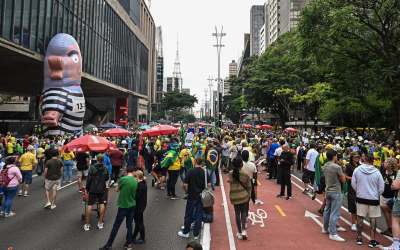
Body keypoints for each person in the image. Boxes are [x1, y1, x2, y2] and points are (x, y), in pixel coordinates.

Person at [351, 152, 385, 247]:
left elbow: (353, 183)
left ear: (364, 159)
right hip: (373, 199)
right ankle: (372, 240)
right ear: (373, 160)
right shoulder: (377, 172)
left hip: (361, 197)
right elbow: (381, 188)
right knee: (373, 219)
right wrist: (375, 194)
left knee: (360, 217)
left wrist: (359, 191)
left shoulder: (357, 170)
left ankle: (359, 238)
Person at [100, 166, 137, 250]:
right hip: (132, 205)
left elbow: (116, 189)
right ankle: (129, 243)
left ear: (127, 171)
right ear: (133, 172)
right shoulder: (135, 181)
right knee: (129, 225)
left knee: (116, 226)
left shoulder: (123, 179)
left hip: (123, 205)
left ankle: (109, 245)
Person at [178, 157, 207, 240]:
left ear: (195, 162)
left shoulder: (190, 171)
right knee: (199, 214)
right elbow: (208, 184)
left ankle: (186, 232)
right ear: (202, 163)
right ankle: (196, 234)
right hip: (201, 196)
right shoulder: (204, 172)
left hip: (191, 195)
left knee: (188, 214)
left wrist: (186, 191)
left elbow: (185, 185)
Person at [322, 150, 346, 242]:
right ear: (334, 156)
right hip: (336, 191)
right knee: (334, 213)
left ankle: (325, 228)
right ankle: (333, 233)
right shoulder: (337, 167)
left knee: (327, 210)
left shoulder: (325, 166)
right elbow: (343, 180)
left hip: (328, 190)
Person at [84, 154, 110, 231]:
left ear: (96, 159)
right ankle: (100, 223)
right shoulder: (105, 168)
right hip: (102, 188)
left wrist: (87, 188)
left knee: (89, 205)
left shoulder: (92, 168)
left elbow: (89, 179)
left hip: (93, 188)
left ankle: (87, 224)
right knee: (102, 204)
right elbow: (107, 178)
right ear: (103, 160)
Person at [228, 156, 251, 240]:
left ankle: (239, 232)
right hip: (244, 196)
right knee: (244, 212)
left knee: (237, 213)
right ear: (241, 164)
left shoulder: (230, 173)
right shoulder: (245, 174)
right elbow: (249, 186)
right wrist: (248, 195)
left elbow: (230, 181)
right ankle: (244, 230)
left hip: (234, 196)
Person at [380, 157, 398, 236]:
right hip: (383, 195)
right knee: (385, 211)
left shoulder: (396, 173)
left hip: (393, 196)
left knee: (393, 214)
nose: (384, 163)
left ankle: (392, 229)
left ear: (390, 165)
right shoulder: (383, 171)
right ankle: (389, 228)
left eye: (386, 162)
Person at [345, 151, 360, 231]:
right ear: (352, 158)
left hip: (360, 188)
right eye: (355, 157)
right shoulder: (348, 166)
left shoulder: (360, 166)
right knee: (353, 206)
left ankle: (359, 222)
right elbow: (345, 176)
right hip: (351, 188)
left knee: (359, 206)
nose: (357, 158)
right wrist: (353, 179)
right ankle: (353, 223)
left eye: (358, 157)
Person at [133, 170, 147, 244]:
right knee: (138, 222)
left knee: (139, 223)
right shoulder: (143, 183)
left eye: (134, 176)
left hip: (139, 207)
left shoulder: (140, 186)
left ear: (137, 177)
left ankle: (142, 238)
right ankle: (134, 236)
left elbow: (136, 197)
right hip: (141, 206)